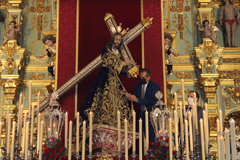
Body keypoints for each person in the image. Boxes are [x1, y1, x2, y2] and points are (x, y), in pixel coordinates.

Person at [125, 68, 160, 145]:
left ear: (149, 77)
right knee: (145, 135)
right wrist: (130, 98)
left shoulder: (154, 86)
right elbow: (135, 99)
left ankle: (152, 153)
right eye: (140, 78)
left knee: (152, 136)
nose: (141, 79)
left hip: (151, 115)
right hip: (142, 115)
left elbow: (152, 101)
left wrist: (137, 100)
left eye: (143, 78)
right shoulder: (137, 86)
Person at [184, 91, 209, 160]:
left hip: (197, 140)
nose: (189, 98)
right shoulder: (185, 110)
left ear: (196, 99)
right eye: (188, 96)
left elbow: (206, 126)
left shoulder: (201, 110)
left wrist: (205, 140)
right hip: (186, 139)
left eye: (191, 97)